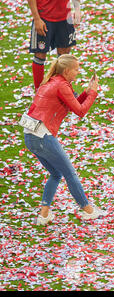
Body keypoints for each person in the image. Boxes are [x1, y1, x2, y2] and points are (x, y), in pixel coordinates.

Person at [23, 54, 106, 225]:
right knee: (69, 173)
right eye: (76, 69)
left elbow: (72, 103)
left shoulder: (52, 82)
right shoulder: (61, 85)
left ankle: (44, 214)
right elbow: (81, 111)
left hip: (30, 136)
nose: (78, 72)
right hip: (43, 136)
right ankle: (88, 210)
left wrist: (87, 92)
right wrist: (94, 93)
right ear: (67, 71)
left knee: (56, 173)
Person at [27, 0, 81, 91]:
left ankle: (64, 91)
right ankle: (39, 93)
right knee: (40, 55)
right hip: (43, 17)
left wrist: (77, 10)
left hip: (64, 18)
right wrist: (36, 19)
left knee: (64, 57)